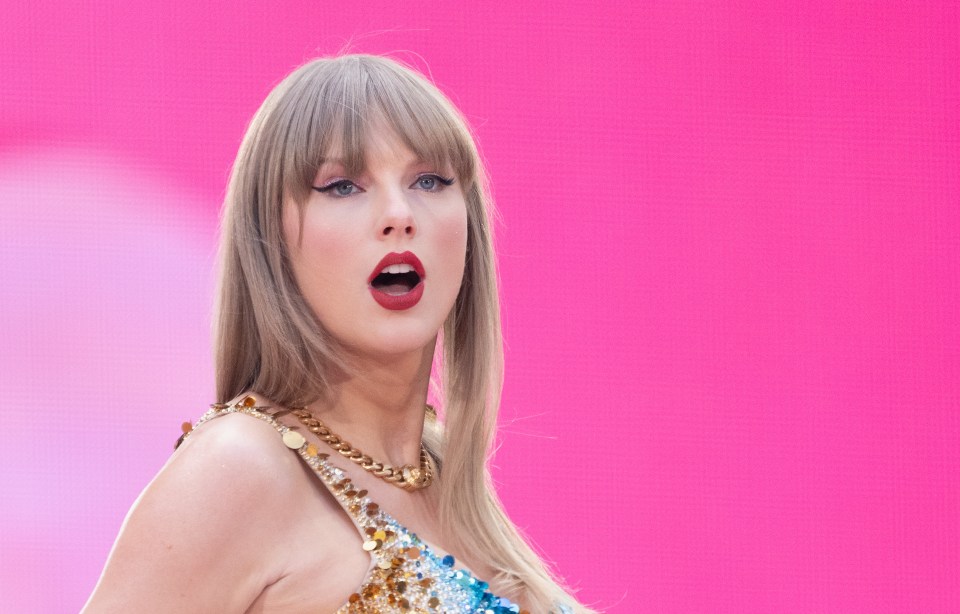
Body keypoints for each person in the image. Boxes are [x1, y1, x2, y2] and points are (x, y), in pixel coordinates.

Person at [83, 54, 591, 613]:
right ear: (271, 239)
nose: (399, 214)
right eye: (343, 186)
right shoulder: (240, 466)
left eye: (430, 180)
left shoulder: (446, 477)